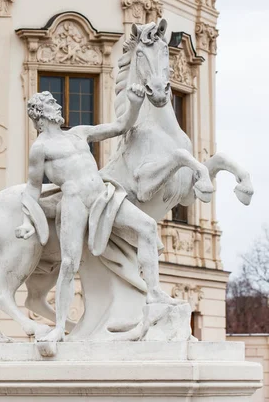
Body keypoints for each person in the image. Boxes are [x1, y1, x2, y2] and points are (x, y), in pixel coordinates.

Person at [16, 88, 180, 345]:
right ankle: (59, 328)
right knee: (69, 264)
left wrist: (135, 104)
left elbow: (120, 126)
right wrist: (28, 220)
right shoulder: (40, 148)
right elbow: (33, 187)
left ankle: (155, 292)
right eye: (50, 105)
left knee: (147, 227)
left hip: (102, 195)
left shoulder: (79, 133)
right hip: (75, 202)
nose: (57, 107)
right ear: (39, 115)